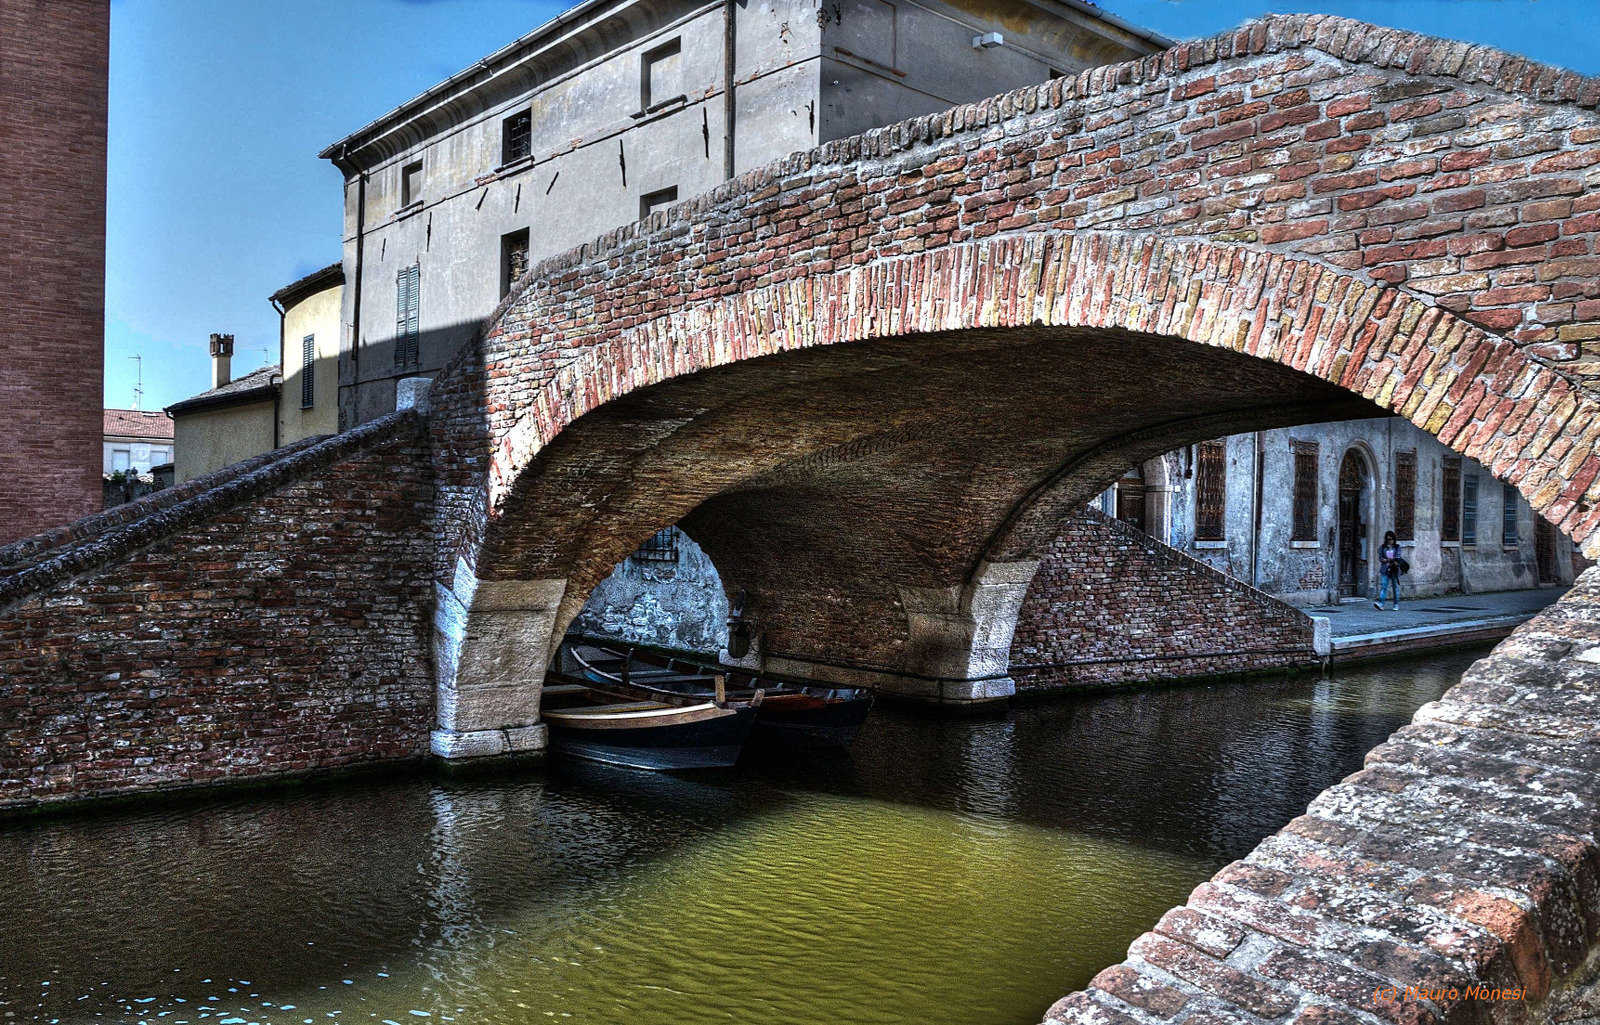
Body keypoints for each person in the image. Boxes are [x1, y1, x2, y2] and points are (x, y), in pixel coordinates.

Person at [1375, 531, 1403, 611]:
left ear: (1394, 539)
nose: (1390, 541)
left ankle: (1396, 604)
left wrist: (1387, 560)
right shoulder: (1383, 547)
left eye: (1391, 539)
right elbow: (1381, 558)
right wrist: (1388, 559)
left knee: (1395, 587)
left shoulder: (1397, 547)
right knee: (1383, 586)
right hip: (1385, 569)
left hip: (1394, 569)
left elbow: (1397, 558)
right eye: (1388, 539)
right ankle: (1381, 604)